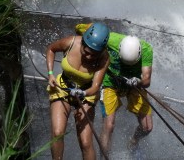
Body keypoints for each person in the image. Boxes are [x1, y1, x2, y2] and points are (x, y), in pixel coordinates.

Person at [76, 24, 154, 157]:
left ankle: (134, 141)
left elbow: (146, 80)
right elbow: (83, 30)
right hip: (110, 83)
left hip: (133, 84)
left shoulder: (146, 50)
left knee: (147, 127)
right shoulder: (108, 39)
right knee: (109, 125)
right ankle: (104, 157)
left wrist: (137, 81)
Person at [46, 22, 110, 160]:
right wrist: (50, 73)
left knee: (86, 142)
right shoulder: (71, 42)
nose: (89, 57)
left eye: (94, 55)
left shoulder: (104, 58)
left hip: (86, 94)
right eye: (86, 52)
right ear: (83, 42)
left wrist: (83, 93)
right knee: (58, 133)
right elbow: (51, 49)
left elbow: (95, 86)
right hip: (62, 88)